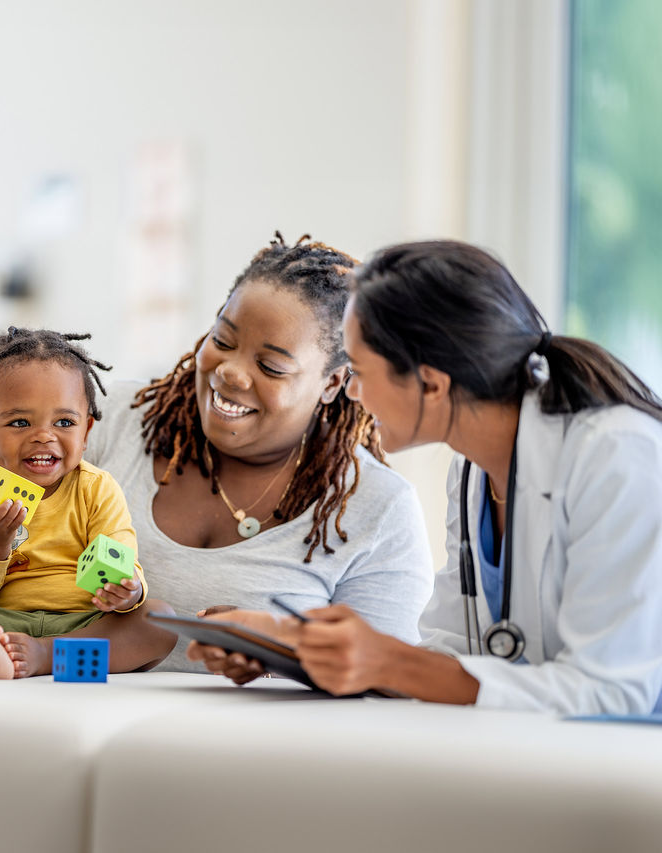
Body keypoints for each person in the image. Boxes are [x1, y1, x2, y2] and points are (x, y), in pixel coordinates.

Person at [0, 234, 433, 672]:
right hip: (58, 715)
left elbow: (384, 679)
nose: (229, 372)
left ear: (333, 383)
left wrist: (279, 653)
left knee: (154, 616)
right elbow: (16, 562)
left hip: (247, 751)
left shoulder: (377, 510)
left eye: (271, 365)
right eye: (222, 338)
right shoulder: (100, 424)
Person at [196, 240, 662, 713]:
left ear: (432, 384)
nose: (352, 393)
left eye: (359, 372)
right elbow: (453, 657)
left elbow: (613, 693)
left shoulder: (618, 457)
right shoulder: (472, 470)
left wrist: (386, 663)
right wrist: (291, 647)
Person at [0, 327, 176, 678]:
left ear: (86, 432)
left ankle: (45, 656)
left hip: (84, 624)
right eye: (20, 422)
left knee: (159, 620)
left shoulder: (97, 489)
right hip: (1, 621)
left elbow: (121, 560)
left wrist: (127, 591)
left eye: (64, 422)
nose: (43, 436)